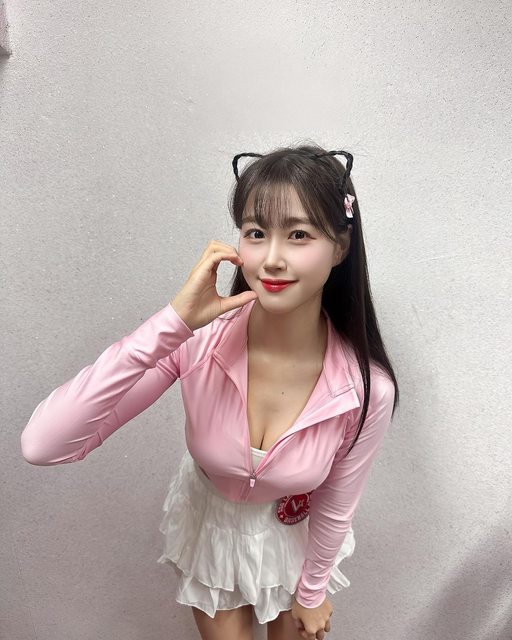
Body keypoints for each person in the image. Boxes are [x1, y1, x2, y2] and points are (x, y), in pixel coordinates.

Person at [21, 143, 399, 640]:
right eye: (256, 233)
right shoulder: (196, 342)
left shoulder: (365, 389)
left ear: (340, 247)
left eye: (299, 235)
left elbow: (336, 500)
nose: (272, 259)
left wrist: (312, 592)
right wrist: (172, 324)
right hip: (212, 528)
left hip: (297, 535)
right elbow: (44, 445)